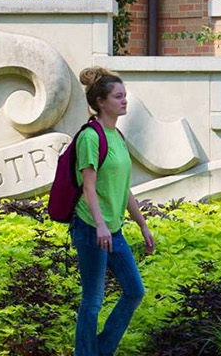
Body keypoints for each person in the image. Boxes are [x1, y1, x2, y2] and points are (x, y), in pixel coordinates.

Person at [70, 67, 156, 356]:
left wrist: (143, 225)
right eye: (118, 96)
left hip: (113, 229)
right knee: (93, 300)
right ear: (101, 101)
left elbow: (124, 188)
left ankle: (100, 350)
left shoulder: (116, 135)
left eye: (125, 96)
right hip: (90, 227)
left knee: (134, 291)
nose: (124, 101)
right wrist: (100, 226)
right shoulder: (90, 138)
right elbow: (88, 188)